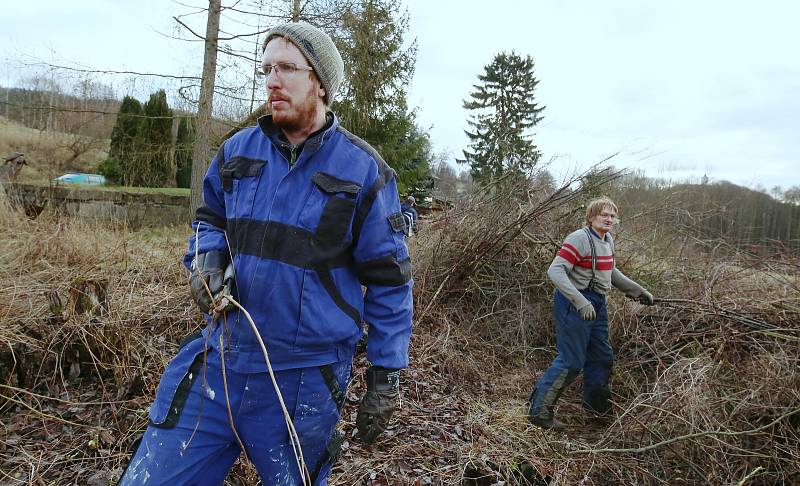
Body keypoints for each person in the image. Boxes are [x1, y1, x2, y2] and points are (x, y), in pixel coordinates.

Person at [120, 21, 413, 485]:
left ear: (320, 82)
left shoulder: (363, 172)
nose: (272, 80)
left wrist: (386, 372)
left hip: (302, 383)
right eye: (267, 69)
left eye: (288, 68)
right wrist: (207, 260)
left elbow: (390, 282)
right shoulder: (238, 151)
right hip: (221, 362)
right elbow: (208, 221)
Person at [527, 197, 654, 431]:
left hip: (597, 302)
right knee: (571, 361)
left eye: (612, 216)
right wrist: (580, 301)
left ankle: (597, 412)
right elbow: (555, 271)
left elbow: (610, 271)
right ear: (591, 216)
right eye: (603, 215)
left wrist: (637, 291)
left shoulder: (608, 240)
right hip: (573, 302)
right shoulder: (578, 238)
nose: (608, 219)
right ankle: (539, 413)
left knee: (602, 357)